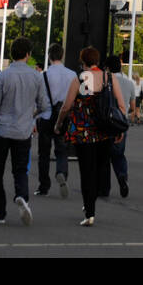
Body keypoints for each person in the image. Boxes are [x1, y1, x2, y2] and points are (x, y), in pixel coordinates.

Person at [0, 37, 50, 226]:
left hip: (2, 129)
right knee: (20, 169)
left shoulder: (2, 76)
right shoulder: (36, 76)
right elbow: (44, 105)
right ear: (28, 54)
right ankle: (21, 196)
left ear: (12, 53)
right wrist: (31, 115)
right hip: (24, 130)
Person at [55, 46, 111, 225]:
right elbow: (119, 104)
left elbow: (67, 105)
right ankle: (91, 204)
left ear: (83, 61)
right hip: (103, 131)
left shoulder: (80, 78)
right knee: (98, 169)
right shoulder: (107, 77)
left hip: (83, 132)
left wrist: (58, 123)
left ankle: (89, 213)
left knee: (86, 171)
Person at [35, 43, 73, 197]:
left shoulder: (42, 75)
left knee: (43, 153)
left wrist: (33, 121)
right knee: (62, 149)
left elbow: (37, 99)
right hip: (63, 116)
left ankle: (44, 186)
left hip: (45, 116)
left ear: (49, 56)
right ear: (62, 56)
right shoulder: (72, 75)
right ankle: (62, 171)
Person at [101, 55, 138, 198]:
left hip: (106, 122)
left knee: (104, 157)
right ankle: (122, 176)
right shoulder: (129, 83)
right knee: (118, 154)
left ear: (107, 68)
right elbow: (132, 107)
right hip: (121, 123)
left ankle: (104, 189)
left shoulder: (105, 82)